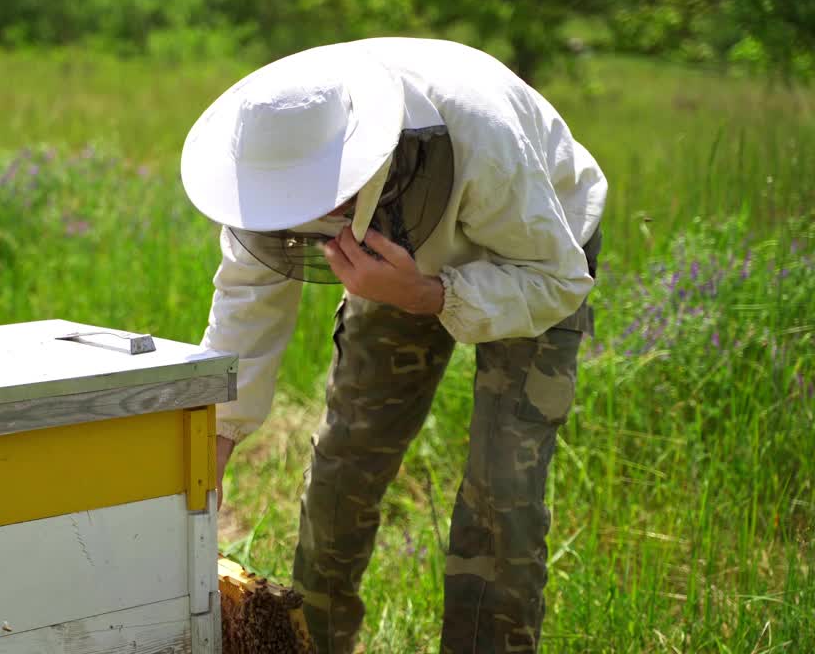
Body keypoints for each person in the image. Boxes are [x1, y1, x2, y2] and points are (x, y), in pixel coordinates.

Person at [181, 37, 607, 654]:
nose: (305, 217)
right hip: (390, 273)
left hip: (534, 262)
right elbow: (246, 302)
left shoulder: (480, 135)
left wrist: (429, 295)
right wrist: (213, 440)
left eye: (318, 200)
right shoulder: (272, 153)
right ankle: (314, 644)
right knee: (343, 468)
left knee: (502, 494)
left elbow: (559, 278)